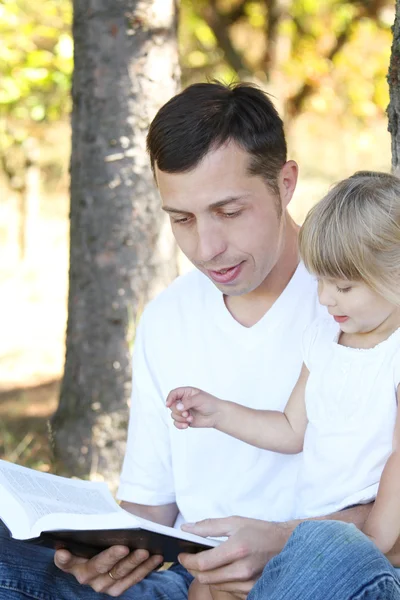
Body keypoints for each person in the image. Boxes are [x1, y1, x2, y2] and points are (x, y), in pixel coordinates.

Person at [0, 81, 399, 600]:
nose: (207, 248)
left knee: (324, 556)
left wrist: (282, 544)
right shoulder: (168, 318)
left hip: (311, 576)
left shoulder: (367, 306)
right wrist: (112, 554)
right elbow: (150, 510)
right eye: (182, 220)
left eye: (229, 212)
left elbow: (382, 525)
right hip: (190, 582)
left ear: (285, 182)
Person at [167, 170, 400, 600]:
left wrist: (368, 546)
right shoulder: (326, 340)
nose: (326, 299)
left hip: (367, 552)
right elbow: (292, 429)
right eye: (321, 282)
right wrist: (220, 413)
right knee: (207, 588)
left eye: (344, 286)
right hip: (308, 533)